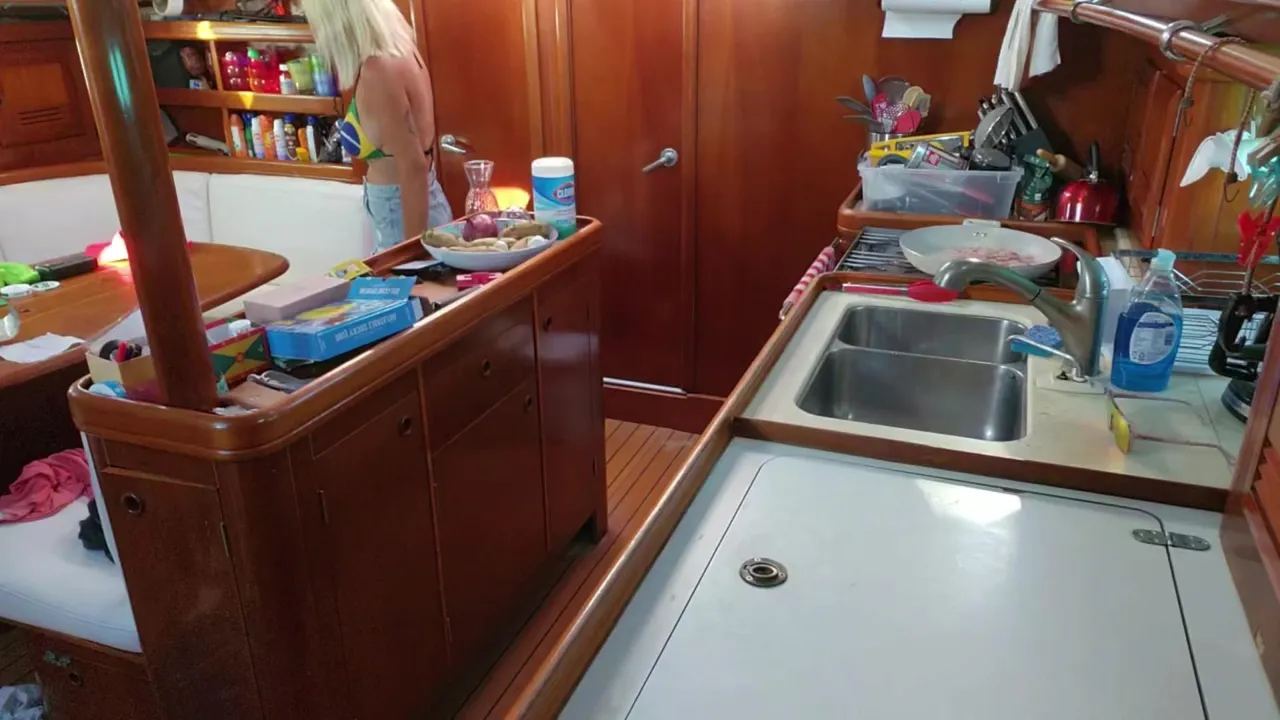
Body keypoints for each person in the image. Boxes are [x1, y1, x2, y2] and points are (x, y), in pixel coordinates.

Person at [303, 0, 453, 252]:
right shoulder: (402, 50)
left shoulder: (378, 71)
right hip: (415, 205)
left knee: (407, 277)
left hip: (402, 214)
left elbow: (413, 166)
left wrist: (409, 254)